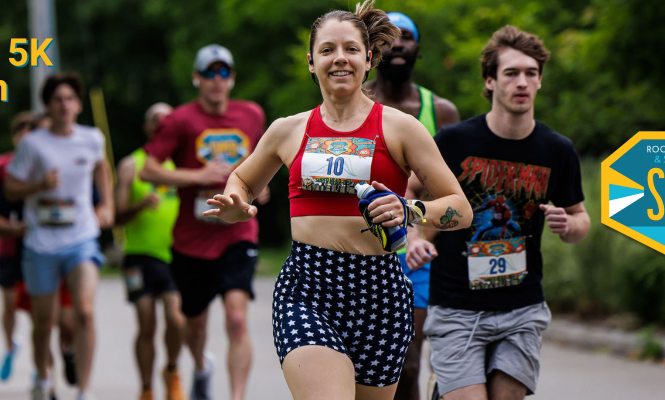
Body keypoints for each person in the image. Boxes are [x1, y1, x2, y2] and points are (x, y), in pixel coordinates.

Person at [201, 2, 473, 399]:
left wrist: (409, 209)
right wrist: (234, 203)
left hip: (380, 295)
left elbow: (460, 208)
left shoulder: (401, 128)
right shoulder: (287, 130)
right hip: (308, 287)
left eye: (350, 48)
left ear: (368, 58)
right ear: (311, 62)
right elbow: (242, 178)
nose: (339, 58)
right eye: (327, 50)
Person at [417, 26, 589, 400]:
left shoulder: (557, 150)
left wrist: (568, 224)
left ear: (540, 81)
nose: (522, 82)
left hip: (521, 306)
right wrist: (416, 237)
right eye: (511, 73)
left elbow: (581, 220)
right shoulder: (454, 141)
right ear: (491, 81)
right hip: (456, 305)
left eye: (531, 73)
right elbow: (415, 194)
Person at [139, 44, 270, 400]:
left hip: (237, 233)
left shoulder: (251, 115)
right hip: (191, 241)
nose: (216, 80)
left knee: (236, 319)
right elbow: (148, 170)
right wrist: (198, 177)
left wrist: (258, 188)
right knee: (194, 328)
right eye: (209, 73)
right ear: (196, 78)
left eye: (223, 72)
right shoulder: (179, 120)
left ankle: (236, 396)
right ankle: (200, 367)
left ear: (232, 78)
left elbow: (265, 163)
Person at [362, 11, 461, 400]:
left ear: (418, 49)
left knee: (407, 362)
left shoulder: (442, 112)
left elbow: (450, 193)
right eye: (391, 38)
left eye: (408, 37)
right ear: (374, 52)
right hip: (361, 249)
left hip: (419, 254)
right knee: (365, 363)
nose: (399, 44)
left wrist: (418, 238)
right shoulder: (354, 100)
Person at [5, 72, 114, 400]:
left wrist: (106, 204)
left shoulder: (92, 139)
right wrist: (38, 186)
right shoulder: (32, 144)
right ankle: (42, 377)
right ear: (47, 107)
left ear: (78, 105)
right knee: (44, 322)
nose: (64, 105)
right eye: (57, 100)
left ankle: (84, 389)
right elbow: (10, 188)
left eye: (69, 99)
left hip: (81, 237)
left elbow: (101, 169)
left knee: (85, 311)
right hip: (41, 242)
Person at [0, 110, 64, 383]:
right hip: (9, 247)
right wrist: (3, 200)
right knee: (9, 303)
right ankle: (10, 345)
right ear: (16, 139)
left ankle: (44, 371)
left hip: (42, 245)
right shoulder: (2, 166)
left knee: (43, 316)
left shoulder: (48, 166)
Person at [116, 102, 186, 400]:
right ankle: (146, 388)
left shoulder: (182, 164)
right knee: (146, 322)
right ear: (146, 127)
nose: (160, 123)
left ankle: (171, 370)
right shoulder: (132, 165)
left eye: (166, 119)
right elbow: (115, 215)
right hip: (139, 254)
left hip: (176, 254)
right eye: (154, 119)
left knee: (176, 318)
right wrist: (138, 206)